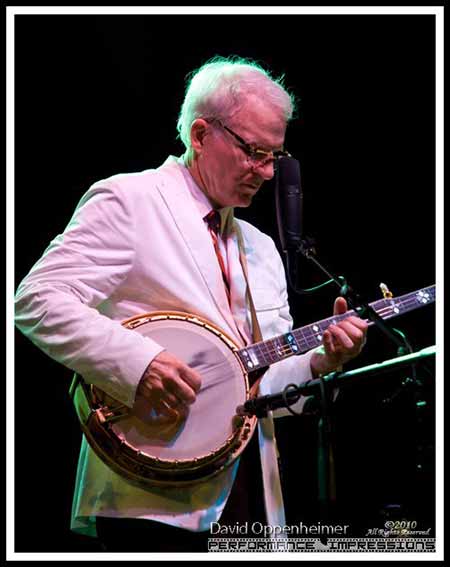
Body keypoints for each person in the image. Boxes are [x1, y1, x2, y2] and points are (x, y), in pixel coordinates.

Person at [14, 55, 368, 553]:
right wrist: (141, 364)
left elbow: (259, 384)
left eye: (275, 157)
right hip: (152, 497)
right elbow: (36, 300)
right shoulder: (131, 200)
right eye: (253, 152)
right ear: (201, 135)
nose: (266, 172)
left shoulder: (261, 247)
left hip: (252, 500)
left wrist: (321, 360)